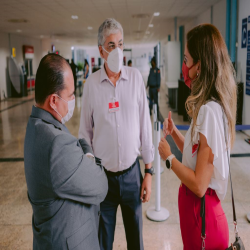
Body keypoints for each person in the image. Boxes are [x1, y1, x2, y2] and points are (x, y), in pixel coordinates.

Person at [158, 24, 237, 249]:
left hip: (202, 219)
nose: (183, 67)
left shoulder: (209, 111)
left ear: (199, 66)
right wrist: (174, 133)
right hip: (199, 215)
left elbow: (200, 184)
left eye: (186, 60)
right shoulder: (210, 107)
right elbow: (196, 155)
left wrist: (168, 158)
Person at [79, 18, 154, 250]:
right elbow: (84, 134)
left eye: (121, 44)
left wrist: (149, 172)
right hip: (104, 181)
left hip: (132, 175)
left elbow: (145, 127)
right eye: (112, 45)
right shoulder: (91, 85)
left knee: (136, 240)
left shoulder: (135, 80)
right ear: (101, 50)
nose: (118, 50)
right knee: (103, 242)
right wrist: (91, 174)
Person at [24, 54, 108, 250]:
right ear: (53, 100)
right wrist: (87, 151)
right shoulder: (57, 145)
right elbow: (100, 185)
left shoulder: (35, 126)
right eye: (70, 95)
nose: (73, 100)